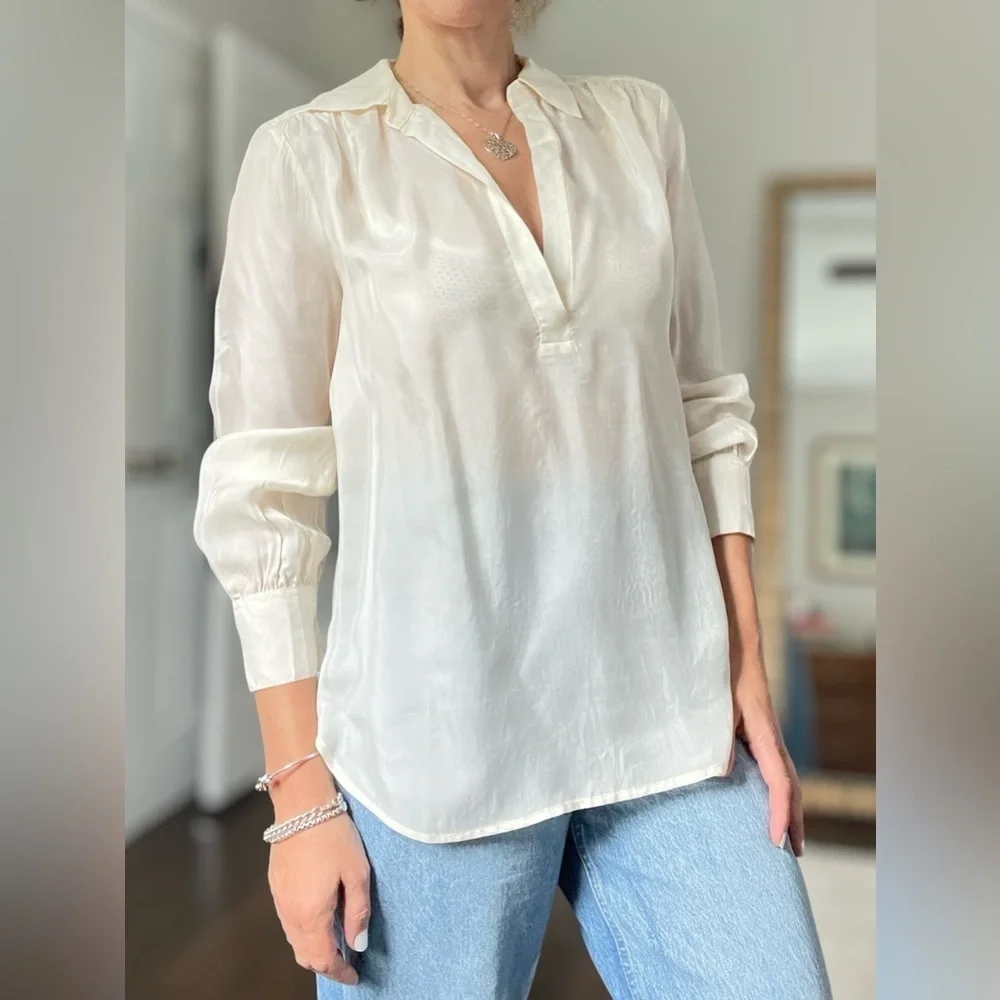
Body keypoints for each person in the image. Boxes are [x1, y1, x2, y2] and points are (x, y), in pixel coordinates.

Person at [194, 1, 831, 996]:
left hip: (671, 718)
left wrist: (747, 667)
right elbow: (262, 496)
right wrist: (300, 799)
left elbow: (705, 410)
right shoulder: (310, 157)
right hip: (433, 751)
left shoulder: (637, 125)